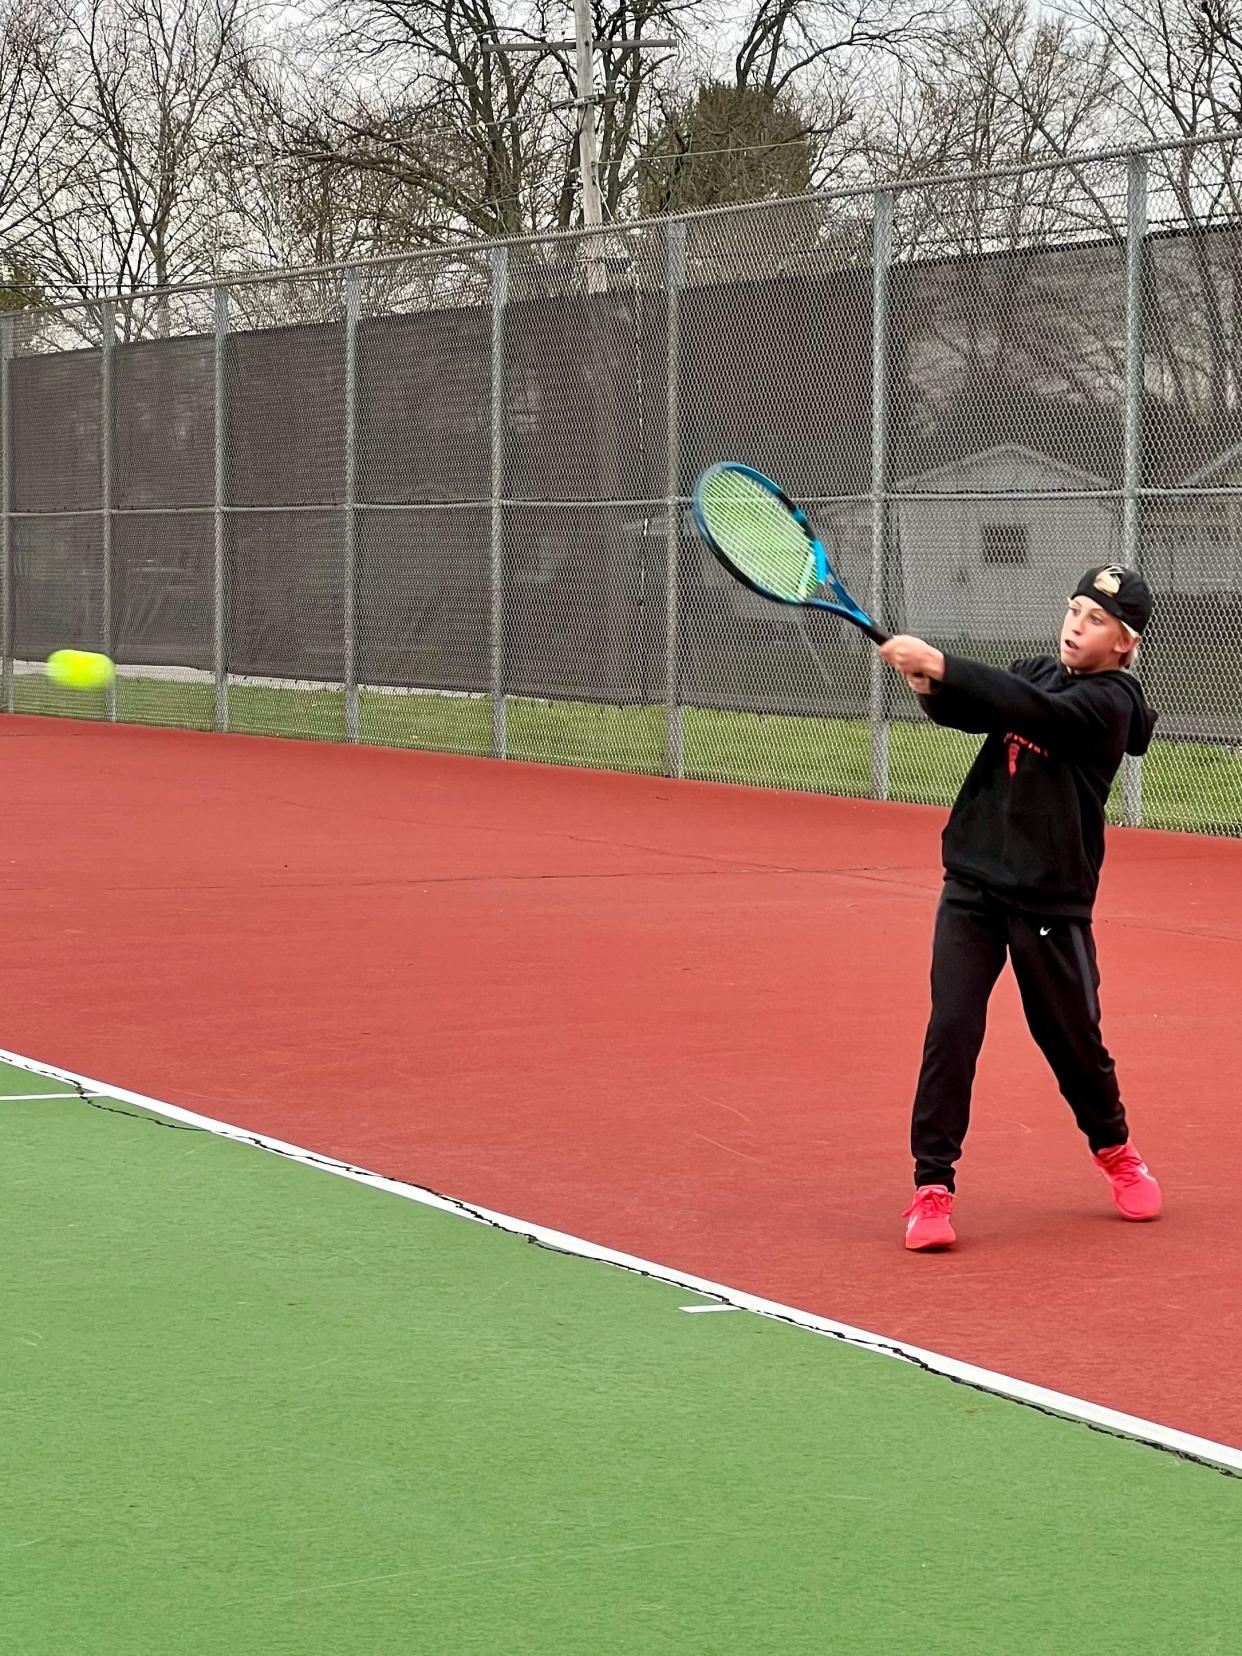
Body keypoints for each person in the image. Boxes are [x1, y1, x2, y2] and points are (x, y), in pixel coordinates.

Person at [878, 565, 1162, 1251]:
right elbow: (978, 707)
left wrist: (943, 662)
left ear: (1124, 644)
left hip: (1050, 899)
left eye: (1095, 619)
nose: (1076, 625)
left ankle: (1115, 1149)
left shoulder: (1113, 705)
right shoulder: (1033, 670)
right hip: (973, 886)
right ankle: (931, 1188)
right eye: (1073, 610)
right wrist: (931, 687)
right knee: (952, 1030)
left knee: (1073, 1043)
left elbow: (1039, 714)